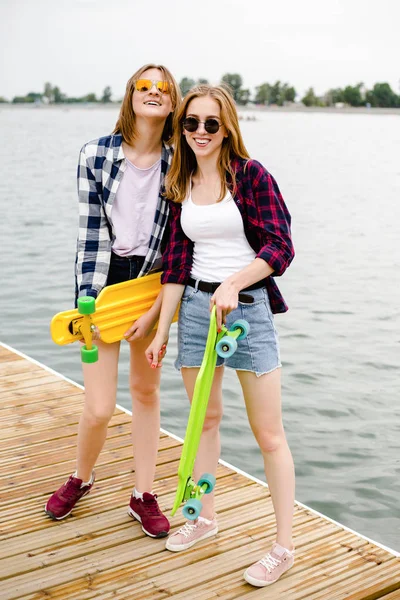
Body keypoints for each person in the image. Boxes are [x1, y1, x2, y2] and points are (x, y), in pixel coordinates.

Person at [146, 85, 296, 585]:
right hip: (194, 307)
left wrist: (234, 281)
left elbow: (281, 246)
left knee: (268, 433)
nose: (200, 133)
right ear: (181, 127)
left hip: (247, 308)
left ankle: (283, 547)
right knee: (203, 420)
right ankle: (203, 517)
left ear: (227, 126)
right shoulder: (181, 179)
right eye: (191, 123)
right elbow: (174, 262)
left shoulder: (251, 176)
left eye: (211, 123)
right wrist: (160, 329)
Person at [45, 64, 181, 539]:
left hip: (153, 286)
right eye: (144, 86)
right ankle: (82, 477)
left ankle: (143, 495)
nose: (153, 93)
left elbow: (182, 240)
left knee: (145, 393)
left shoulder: (179, 158)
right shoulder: (95, 154)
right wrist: (87, 303)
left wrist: (160, 309)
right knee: (100, 406)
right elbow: (88, 234)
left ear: (171, 102)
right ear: (130, 95)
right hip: (103, 286)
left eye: (163, 89)